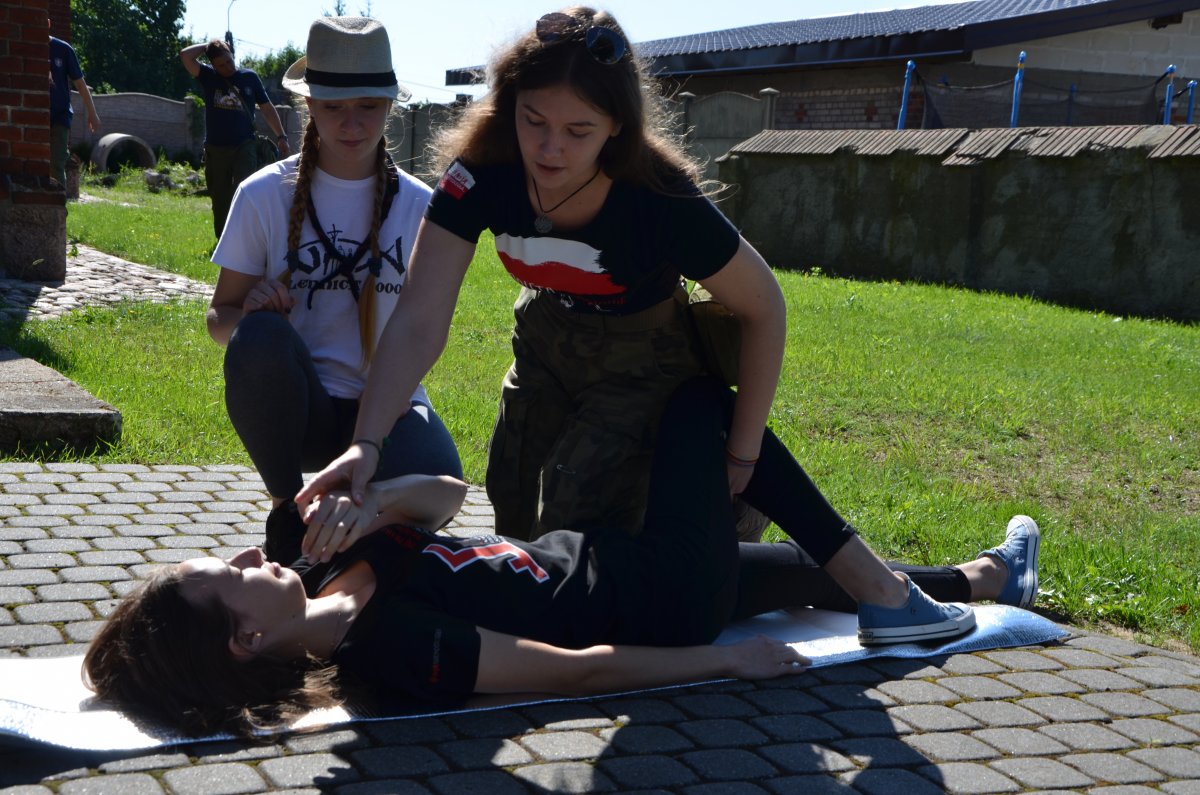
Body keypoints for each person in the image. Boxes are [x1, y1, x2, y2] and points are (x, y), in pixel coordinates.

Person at [83, 376, 1041, 739]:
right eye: (230, 574)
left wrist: (370, 503)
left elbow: (447, 496)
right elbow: (575, 670)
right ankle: (900, 594)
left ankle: (982, 579)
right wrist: (725, 663)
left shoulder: (315, 552)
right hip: (659, 597)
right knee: (701, 404)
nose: (248, 551)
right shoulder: (395, 652)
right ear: (247, 639)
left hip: (605, 551)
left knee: (798, 572)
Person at [298, 6, 787, 541]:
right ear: (509, 107)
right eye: (533, 121)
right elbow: (417, 320)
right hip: (546, 337)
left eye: (579, 130)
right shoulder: (478, 175)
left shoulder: (659, 198)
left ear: (616, 126)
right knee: (509, 487)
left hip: (643, 356)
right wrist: (365, 444)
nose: (550, 148)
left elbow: (764, 307)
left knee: (574, 507)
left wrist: (743, 453)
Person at [205, 16, 462, 509]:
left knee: (437, 484)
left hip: (388, 410)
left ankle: (357, 522)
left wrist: (385, 415)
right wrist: (251, 314)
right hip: (301, 412)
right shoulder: (262, 194)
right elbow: (219, 320)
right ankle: (287, 508)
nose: (352, 123)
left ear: (390, 105)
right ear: (309, 105)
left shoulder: (423, 207)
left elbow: (426, 332)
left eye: (368, 106)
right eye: (333, 107)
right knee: (259, 337)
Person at [181, 38, 291, 238]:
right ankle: (224, 240)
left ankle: (246, 238)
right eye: (221, 65)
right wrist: (207, 46)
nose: (227, 67)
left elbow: (267, 108)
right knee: (220, 198)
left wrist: (281, 136)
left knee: (246, 191)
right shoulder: (208, 76)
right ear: (213, 65)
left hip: (244, 146)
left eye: (229, 61)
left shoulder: (249, 77)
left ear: (232, 54)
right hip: (216, 149)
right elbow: (185, 56)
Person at [48, 20, 100, 188]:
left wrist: (92, 113)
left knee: (57, 162)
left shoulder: (63, 49)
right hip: (36, 113)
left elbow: (80, 84)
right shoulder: (28, 47)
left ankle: (59, 201)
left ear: (48, 23)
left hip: (60, 114)